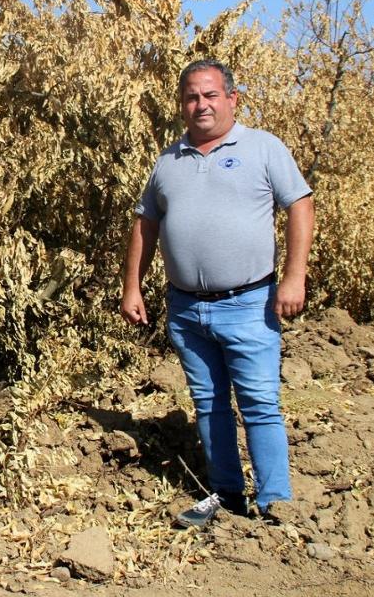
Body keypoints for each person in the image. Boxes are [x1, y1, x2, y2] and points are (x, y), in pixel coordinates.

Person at [120, 59, 314, 527]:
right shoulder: (169, 160)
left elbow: (300, 205)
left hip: (249, 303)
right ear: (182, 104)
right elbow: (146, 223)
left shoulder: (263, 148)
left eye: (210, 95)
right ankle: (226, 496)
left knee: (259, 404)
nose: (200, 104)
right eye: (191, 96)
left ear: (232, 99)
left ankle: (274, 503)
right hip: (186, 308)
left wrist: (294, 276)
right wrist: (132, 286)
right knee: (208, 404)